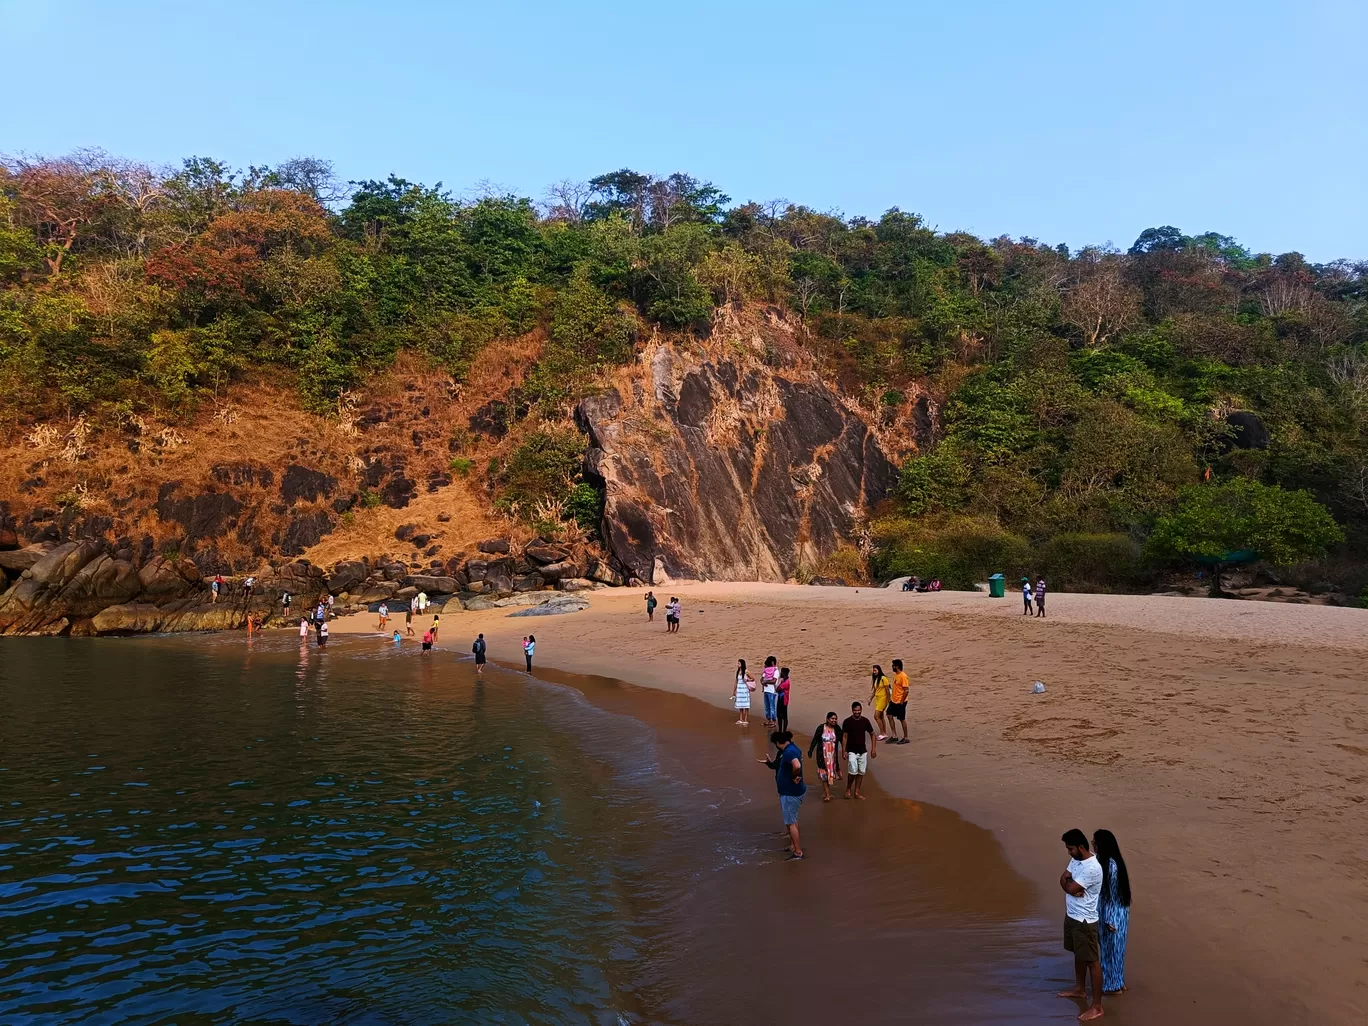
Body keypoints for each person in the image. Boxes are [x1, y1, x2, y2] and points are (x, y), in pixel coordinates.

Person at [1057, 828, 1106, 1021]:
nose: (1068, 852)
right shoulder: (1076, 859)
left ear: (1080, 847)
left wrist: (1069, 886)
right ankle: (1079, 989)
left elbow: (1069, 885)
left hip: (1085, 920)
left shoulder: (1092, 868)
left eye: (1070, 849)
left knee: (1092, 961)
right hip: (1072, 916)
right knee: (1079, 954)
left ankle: (1097, 1006)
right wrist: (1068, 885)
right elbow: (1063, 879)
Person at [1093, 829, 1131, 994]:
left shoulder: (1109, 866)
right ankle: (1119, 982)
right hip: (1120, 912)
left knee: (1110, 951)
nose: (1093, 844)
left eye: (1095, 842)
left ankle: (1112, 986)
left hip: (1111, 914)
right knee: (1117, 950)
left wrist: (1109, 919)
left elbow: (1108, 894)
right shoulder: (1116, 862)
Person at [759, 730, 806, 860]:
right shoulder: (792, 748)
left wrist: (794, 776)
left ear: (778, 743)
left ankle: (798, 852)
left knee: (791, 822)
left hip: (790, 793)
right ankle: (793, 845)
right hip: (792, 792)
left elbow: (796, 765)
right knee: (793, 820)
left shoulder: (789, 752)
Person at [841, 702, 877, 799]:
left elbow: (873, 734)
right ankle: (848, 789)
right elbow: (844, 736)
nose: (857, 712)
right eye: (855, 710)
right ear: (852, 710)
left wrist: (873, 749)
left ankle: (857, 792)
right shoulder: (847, 722)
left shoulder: (865, 721)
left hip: (863, 751)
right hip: (851, 750)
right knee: (852, 770)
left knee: (861, 772)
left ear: (861, 710)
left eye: (859, 710)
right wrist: (844, 751)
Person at [807, 711, 843, 802]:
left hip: (833, 756)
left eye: (835, 719)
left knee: (830, 774)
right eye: (832, 719)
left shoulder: (837, 728)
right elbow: (815, 739)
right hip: (822, 755)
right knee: (824, 775)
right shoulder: (821, 728)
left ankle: (826, 791)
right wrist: (810, 750)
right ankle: (827, 794)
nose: (834, 720)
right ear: (827, 719)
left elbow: (843, 740)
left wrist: (845, 751)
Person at [887, 659, 911, 744]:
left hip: (900, 701)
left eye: (893, 665)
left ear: (897, 666)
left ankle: (906, 737)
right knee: (889, 715)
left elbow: (906, 690)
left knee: (902, 719)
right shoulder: (896, 675)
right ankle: (894, 735)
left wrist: (901, 701)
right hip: (893, 700)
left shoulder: (903, 676)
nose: (892, 667)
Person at [869, 664, 892, 741]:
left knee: (876, 716)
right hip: (878, 699)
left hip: (883, 699)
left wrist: (889, 700)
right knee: (881, 717)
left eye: (875, 670)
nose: (874, 672)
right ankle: (884, 733)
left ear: (879, 670)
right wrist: (871, 699)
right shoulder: (876, 679)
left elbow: (887, 690)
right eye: (873, 670)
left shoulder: (883, 678)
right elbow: (875, 690)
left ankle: (882, 733)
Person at [732, 659, 755, 725]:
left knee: (746, 705)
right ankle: (741, 719)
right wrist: (734, 691)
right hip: (739, 690)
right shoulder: (738, 671)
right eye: (738, 663)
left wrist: (747, 680)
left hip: (745, 690)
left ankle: (746, 719)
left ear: (742, 664)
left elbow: (753, 678)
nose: (738, 665)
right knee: (740, 705)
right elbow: (736, 681)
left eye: (739, 663)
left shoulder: (746, 671)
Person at [761, 656, 779, 727]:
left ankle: (774, 721)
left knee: (772, 707)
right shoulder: (767, 670)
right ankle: (768, 720)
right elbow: (761, 679)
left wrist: (765, 681)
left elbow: (774, 681)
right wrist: (763, 682)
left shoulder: (776, 671)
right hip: (766, 691)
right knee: (767, 707)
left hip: (772, 691)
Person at [775, 666, 792, 734]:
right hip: (781, 699)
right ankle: (780, 730)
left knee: (784, 716)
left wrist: (779, 682)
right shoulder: (784, 681)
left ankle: (783, 731)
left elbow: (777, 689)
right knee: (779, 715)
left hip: (783, 701)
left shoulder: (786, 682)